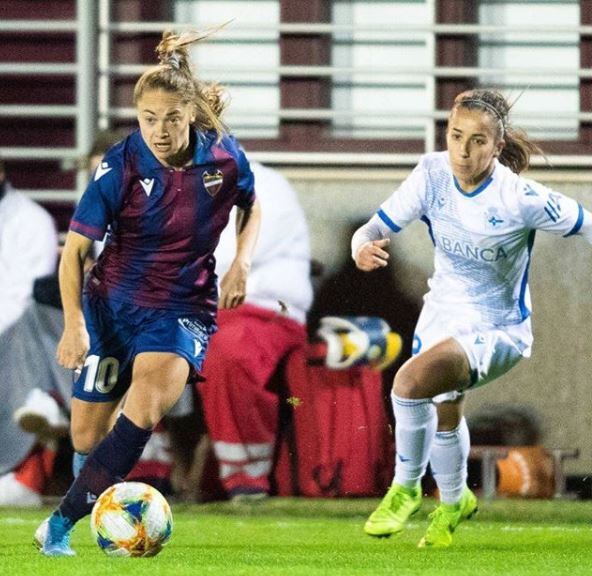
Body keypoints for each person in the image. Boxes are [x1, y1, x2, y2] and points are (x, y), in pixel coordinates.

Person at [37, 29, 261, 557]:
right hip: (111, 307)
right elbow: (74, 253)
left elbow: (252, 204)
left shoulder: (226, 158)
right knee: (88, 439)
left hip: (182, 308)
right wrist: (74, 323)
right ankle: (91, 511)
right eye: (148, 119)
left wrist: (241, 262)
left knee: (144, 406)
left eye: (172, 119)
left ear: (193, 115)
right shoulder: (119, 166)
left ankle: (59, 526)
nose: (159, 132)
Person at [352, 88, 592, 548]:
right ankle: (455, 499)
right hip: (441, 312)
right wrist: (360, 247)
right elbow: (374, 226)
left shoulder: (519, 197)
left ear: (497, 146)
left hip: (497, 330)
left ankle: (404, 489)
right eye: (455, 135)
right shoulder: (432, 174)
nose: (463, 150)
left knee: (407, 384)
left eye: (478, 140)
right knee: (445, 410)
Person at [199, 161, 313, 501]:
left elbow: (228, 257)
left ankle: (247, 479)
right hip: (196, 308)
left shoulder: (265, 183)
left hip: (262, 310)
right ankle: (146, 475)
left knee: (228, 351)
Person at [0, 157, 60, 505]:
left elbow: (30, 297)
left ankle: (27, 478)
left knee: (28, 332)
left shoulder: (31, 220)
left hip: (23, 333)